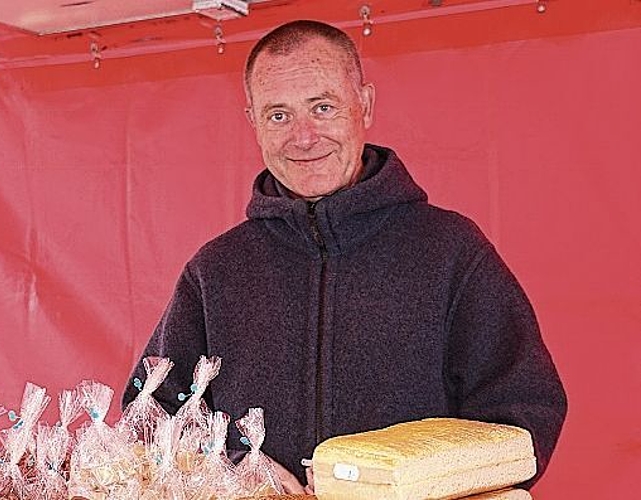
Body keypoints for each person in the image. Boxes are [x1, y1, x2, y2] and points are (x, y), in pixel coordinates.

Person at [123, 20, 567, 494]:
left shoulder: (451, 250)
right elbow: (149, 416)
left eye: (323, 107)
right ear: (252, 121)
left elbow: (524, 413)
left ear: (365, 105)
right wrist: (235, 467)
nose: (304, 136)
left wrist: (407, 481)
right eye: (279, 115)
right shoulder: (215, 271)